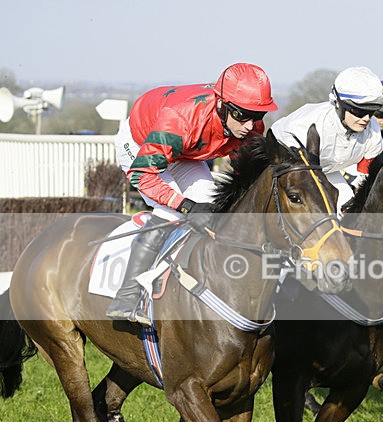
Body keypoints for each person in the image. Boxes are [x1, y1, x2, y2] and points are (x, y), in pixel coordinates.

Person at [106, 63, 278, 325]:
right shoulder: (180, 120)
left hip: (186, 152)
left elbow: (247, 176)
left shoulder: (250, 126)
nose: (249, 124)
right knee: (169, 212)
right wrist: (185, 205)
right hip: (143, 143)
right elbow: (143, 175)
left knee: (213, 207)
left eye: (256, 115)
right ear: (222, 104)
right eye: (242, 115)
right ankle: (126, 296)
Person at [270, 66, 383, 213]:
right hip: (287, 169)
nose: (366, 119)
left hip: (326, 169)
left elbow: (365, 176)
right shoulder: (306, 127)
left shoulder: (373, 130)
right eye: (359, 111)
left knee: (348, 210)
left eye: (371, 112)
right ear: (338, 103)